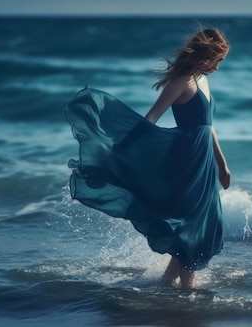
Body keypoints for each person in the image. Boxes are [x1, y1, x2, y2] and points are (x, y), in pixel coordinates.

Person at [64, 28, 230, 289]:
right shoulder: (182, 81)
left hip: (204, 163)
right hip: (185, 162)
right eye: (217, 60)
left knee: (204, 226)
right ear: (206, 55)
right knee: (189, 229)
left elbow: (208, 126)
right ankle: (186, 295)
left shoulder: (203, 80)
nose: (218, 68)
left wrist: (222, 163)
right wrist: (121, 149)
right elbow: (152, 117)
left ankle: (168, 288)